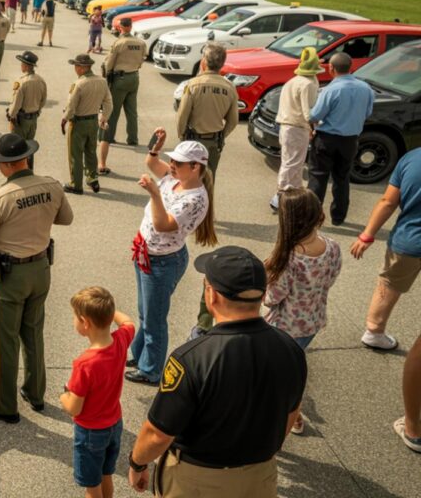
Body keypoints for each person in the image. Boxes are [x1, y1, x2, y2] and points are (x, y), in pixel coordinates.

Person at [127, 246, 307, 498]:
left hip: (197, 480)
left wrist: (137, 463)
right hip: (260, 475)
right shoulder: (291, 349)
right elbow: (290, 414)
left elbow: (157, 433)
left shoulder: (190, 358)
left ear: (212, 295)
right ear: (262, 294)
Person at [0, 133, 74, 422]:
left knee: (6, 340)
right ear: (26, 158)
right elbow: (66, 218)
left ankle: (6, 404)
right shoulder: (51, 185)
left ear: (5, 165)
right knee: (34, 333)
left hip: (10, 275)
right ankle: (35, 394)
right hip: (40, 269)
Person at [128, 134, 216, 385]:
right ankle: (140, 355)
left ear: (195, 167)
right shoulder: (176, 178)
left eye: (178, 162)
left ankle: (151, 370)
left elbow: (163, 224)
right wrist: (154, 149)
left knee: (154, 318)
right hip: (147, 253)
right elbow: (152, 164)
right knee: (145, 311)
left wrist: (155, 194)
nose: (172, 165)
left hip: (162, 262)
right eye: (172, 160)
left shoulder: (195, 198)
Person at [263, 188, 339, 435]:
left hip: (283, 328)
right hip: (313, 323)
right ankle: (292, 410)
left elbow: (272, 298)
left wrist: (265, 278)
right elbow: (332, 276)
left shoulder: (289, 259)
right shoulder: (332, 247)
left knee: (275, 378)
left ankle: (287, 414)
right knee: (292, 368)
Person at [60, 287, 135, 498]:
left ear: (85, 323)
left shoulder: (85, 364)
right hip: (114, 424)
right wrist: (109, 311)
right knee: (106, 475)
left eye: (75, 317)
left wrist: (63, 395)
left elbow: (74, 407)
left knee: (92, 486)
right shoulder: (121, 340)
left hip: (90, 432)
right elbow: (128, 322)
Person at [350, 147, 421, 351]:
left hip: (408, 240)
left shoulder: (412, 159)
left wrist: (367, 235)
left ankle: (374, 331)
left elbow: (388, 202)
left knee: (389, 284)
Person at [308, 52, 373, 225]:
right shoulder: (366, 89)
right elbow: (367, 113)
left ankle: (312, 218)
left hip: (326, 139)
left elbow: (315, 115)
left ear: (332, 69)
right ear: (351, 67)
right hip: (350, 140)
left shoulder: (331, 90)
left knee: (318, 178)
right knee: (342, 179)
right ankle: (338, 217)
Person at [175, 42, 238, 177]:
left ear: (204, 61)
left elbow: (182, 116)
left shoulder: (193, 85)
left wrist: (181, 136)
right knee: (209, 180)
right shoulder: (230, 87)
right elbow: (233, 121)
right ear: (222, 63)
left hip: (194, 141)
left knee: (191, 179)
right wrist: (221, 136)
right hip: (214, 142)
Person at [271, 47, 321, 212]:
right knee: (293, 163)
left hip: (285, 126)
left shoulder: (292, 81)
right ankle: (281, 195)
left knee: (293, 162)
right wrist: (314, 128)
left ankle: (293, 194)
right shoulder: (308, 84)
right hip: (297, 127)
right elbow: (309, 112)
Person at [97, 17, 148, 174]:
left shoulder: (119, 43)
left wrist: (106, 76)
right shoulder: (140, 42)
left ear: (120, 27)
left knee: (112, 110)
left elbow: (109, 62)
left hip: (120, 78)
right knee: (131, 110)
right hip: (134, 76)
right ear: (131, 26)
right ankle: (133, 137)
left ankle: (107, 137)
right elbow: (142, 59)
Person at [62, 54, 112, 195]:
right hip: (93, 121)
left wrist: (65, 118)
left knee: (75, 155)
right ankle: (92, 178)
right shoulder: (102, 81)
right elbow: (108, 102)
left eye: (77, 66)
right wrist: (104, 118)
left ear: (83, 68)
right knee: (90, 151)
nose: (75, 68)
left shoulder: (79, 84)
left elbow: (71, 106)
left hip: (78, 123)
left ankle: (76, 185)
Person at [7, 51, 47, 169]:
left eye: (22, 64)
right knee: (30, 146)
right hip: (33, 118)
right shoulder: (41, 80)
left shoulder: (21, 82)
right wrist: (37, 111)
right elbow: (43, 100)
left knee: (17, 148)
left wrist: (11, 115)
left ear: (26, 66)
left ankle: (19, 173)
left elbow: (16, 104)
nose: (21, 66)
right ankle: (29, 170)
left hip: (21, 119)